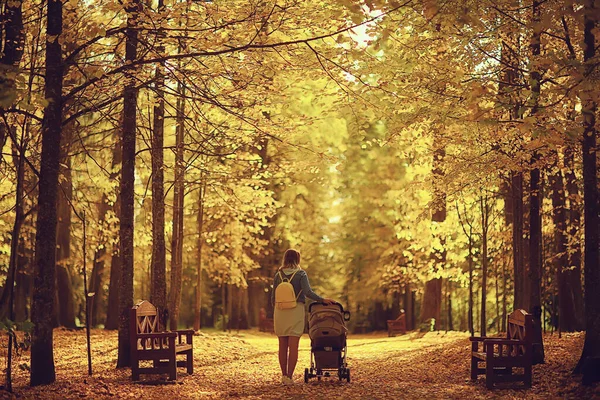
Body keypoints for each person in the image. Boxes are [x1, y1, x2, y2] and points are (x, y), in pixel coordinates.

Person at [271, 249, 335, 385]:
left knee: (282, 345)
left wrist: (278, 308)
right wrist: (322, 300)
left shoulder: (278, 275)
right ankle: (289, 377)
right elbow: (307, 292)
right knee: (293, 346)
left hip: (280, 311)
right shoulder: (301, 274)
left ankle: (283, 376)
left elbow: (273, 297)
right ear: (297, 259)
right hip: (295, 310)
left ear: (285, 259)